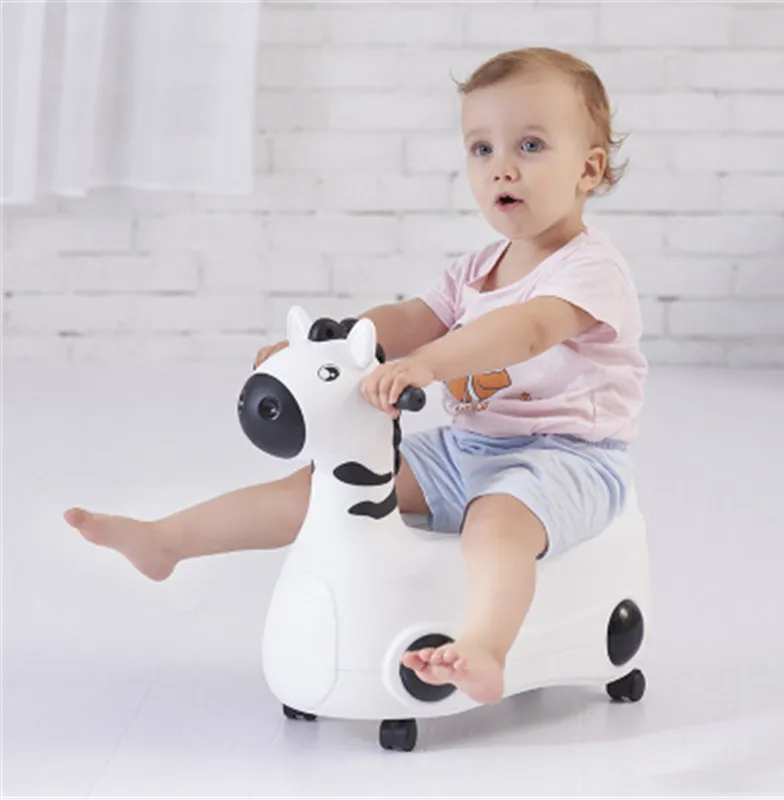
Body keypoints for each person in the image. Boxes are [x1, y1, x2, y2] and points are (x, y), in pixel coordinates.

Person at [65, 47, 647, 706]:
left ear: (587, 169)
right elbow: (410, 317)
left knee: (497, 523)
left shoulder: (590, 268)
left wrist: (430, 363)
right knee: (325, 486)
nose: (501, 167)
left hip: (567, 457)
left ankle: (485, 647)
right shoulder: (477, 267)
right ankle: (167, 540)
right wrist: (331, 348)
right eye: (481, 149)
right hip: (468, 447)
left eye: (531, 145)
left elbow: (528, 330)